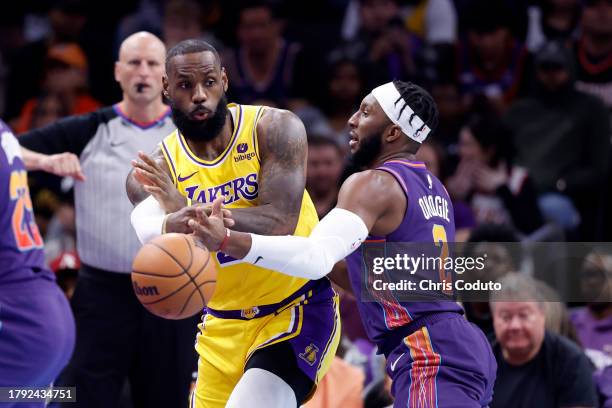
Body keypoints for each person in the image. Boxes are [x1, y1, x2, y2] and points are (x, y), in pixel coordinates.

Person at [188, 80, 497, 407]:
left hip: (429, 352)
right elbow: (374, 281)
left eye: (365, 112)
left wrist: (226, 239)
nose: (351, 120)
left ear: (392, 133)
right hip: (457, 344)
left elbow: (316, 257)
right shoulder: (435, 189)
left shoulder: (373, 184)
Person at [127, 39, 340, 408]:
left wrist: (190, 212)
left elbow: (280, 219)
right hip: (220, 325)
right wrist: (172, 222)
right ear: (166, 88)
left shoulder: (274, 128)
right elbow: (144, 220)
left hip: (293, 311)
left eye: (208, 82)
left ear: (224, 81)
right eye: (184, 85)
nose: (198, 95)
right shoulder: (159, 167)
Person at [18, 32, 198, 408]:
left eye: (152, 64)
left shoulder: (193, 132)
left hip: (175, 292)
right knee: (82, 399)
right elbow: (9, 148)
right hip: (100, 295)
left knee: (167, 399)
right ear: (118, 72)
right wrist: (45, 161)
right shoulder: (87, 128)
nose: (143, 72)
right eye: (134, 62)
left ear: (166, 76)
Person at [0, 119, 75, 406]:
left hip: (16, 323)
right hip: (48, 318)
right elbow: (13, 152)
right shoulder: (4, 133)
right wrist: (45, 160)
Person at [490, 273, 597, 408]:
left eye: (524, 315)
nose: (515, 326)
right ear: (494, 319)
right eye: (506, 317)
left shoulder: (571, 360)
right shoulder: (481, 361)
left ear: (542, 315)